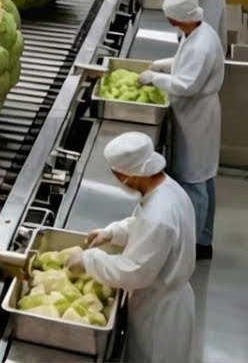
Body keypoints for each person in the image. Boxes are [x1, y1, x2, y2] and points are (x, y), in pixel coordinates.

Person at [65, 132, 196, 363]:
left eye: (117, 175)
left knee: (150, 356)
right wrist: (112, 232)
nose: (116, 179)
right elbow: (142, 226)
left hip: (159, 313)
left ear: (132, 176)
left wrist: (88, 260)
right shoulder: (165, 188)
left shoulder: (160, 215)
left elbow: (135, 272)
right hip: (161, 295)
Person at [138, 0, 224, 260]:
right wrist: (164, 65)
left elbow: (187, 84)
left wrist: (154, 79)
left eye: (172, 19)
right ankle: (204, 238)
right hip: (197, 114)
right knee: (204, 177)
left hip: (197, 116)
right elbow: (186, 63)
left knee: (194, 179)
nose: (170, 23)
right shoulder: (200, 31)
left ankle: (195, 245)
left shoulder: (201, 44)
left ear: (182, 18)